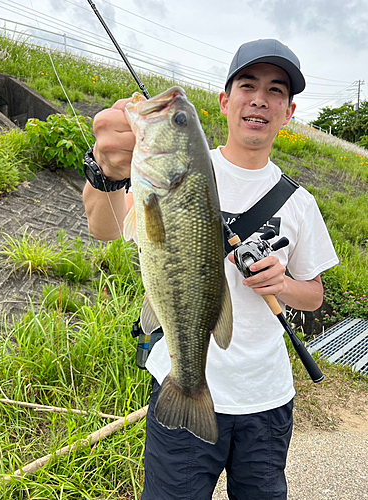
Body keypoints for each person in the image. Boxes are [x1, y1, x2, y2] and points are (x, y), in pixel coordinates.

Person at [83, 39, 339, 500]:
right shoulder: (169, 171)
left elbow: (315, 294)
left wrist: (282, 282)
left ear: (289, 111)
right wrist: (105, 172)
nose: (260, 98)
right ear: (225, 102)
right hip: (179, 380)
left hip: (266, 400)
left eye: (275, 90)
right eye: (247, 84)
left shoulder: (301, 203)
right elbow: (104, 227)